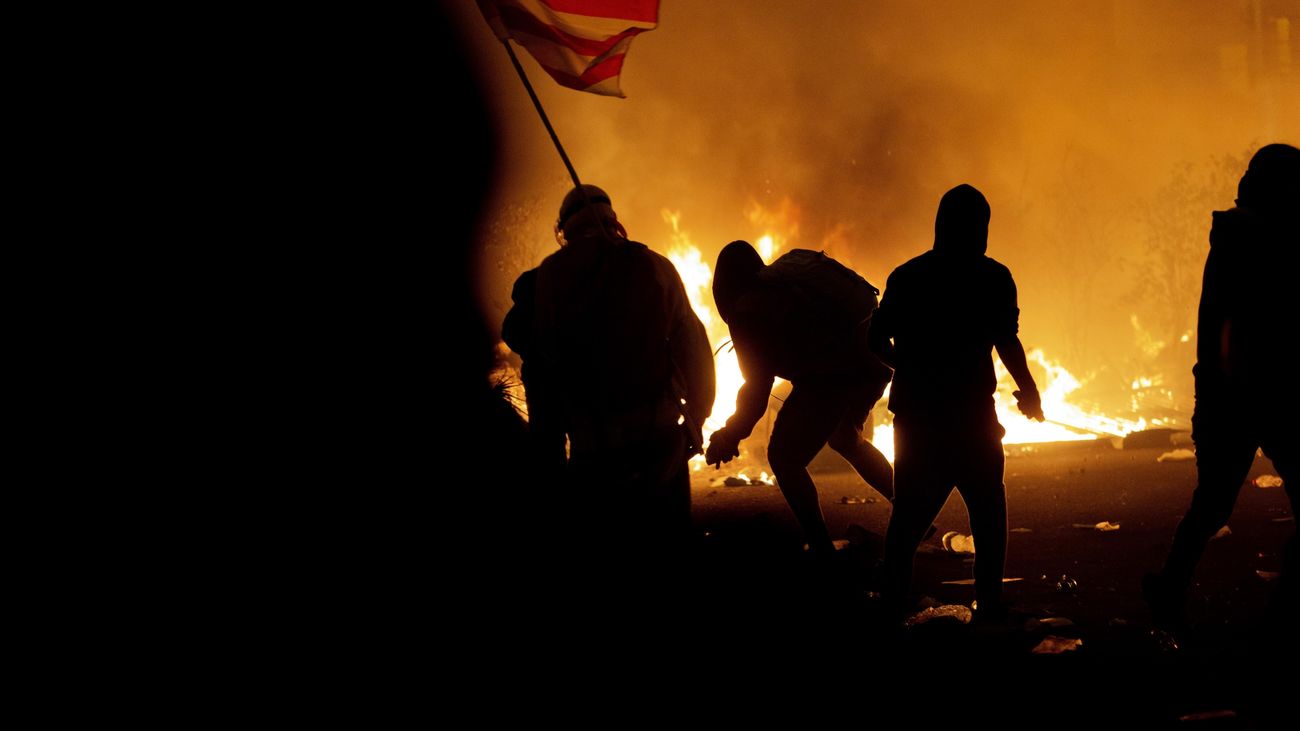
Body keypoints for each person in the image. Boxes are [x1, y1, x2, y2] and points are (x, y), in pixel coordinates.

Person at [502, 184, 715, 555]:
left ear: (564, 231)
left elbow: (544, 378)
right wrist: (695, 422)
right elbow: (695, 353)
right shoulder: (655, 266)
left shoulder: (548, 281)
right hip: (661, 448)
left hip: (594, 459)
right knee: (671, 558)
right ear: (613, 221)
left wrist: (551, 468)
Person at [868, 184, 1044, 622]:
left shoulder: (907, 277)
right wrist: (1028, 390)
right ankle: (989, 602)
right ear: (976, 229)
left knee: (907, 518)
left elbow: (874, 338)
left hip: (918, 416)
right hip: (971, 416)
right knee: (988, 512)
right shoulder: (993, 278)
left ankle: (892, 605)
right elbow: (1007, 341)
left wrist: (904, 366)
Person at [1144, 144, 1299, 630]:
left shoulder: (1239, 235)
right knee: (1216, 503)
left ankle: (1170, 585)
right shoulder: (1259, 238)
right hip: (1259, 391)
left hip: (1236, 393)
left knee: (1211, 503)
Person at [705, 241, 895, 557]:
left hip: (833, 375)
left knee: (784, 457)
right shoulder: (786, 283)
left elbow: (756, 390)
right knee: (846, 438)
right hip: (872, 361)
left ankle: (821, 547)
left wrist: (730, 434)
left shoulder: (748, 309)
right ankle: (913, 513)